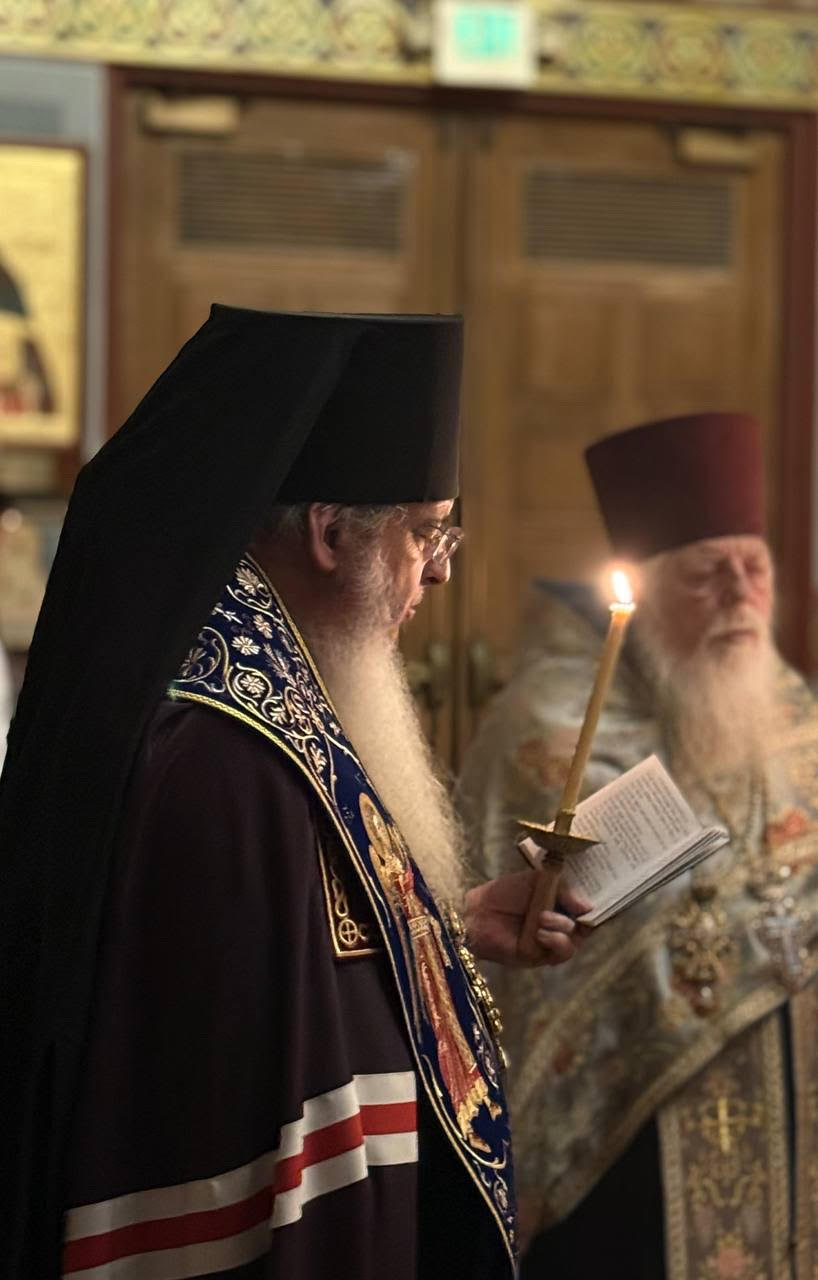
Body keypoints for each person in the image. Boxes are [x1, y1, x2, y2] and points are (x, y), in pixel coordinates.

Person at [0, 306, 587, 1280]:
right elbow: (208, 1129)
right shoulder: (225, 755)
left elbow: (302, 954)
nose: (439, 573)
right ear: (328, 532)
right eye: (425, 534)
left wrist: (448, 920)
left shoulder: (275, 697)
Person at [458, 412, 818, 1280]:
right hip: (625, 1145)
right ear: (647, 592)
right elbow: (542, 953)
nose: (739, 594)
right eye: (706, 573)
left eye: (754, 568)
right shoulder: (548, 729)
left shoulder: (791, 710)